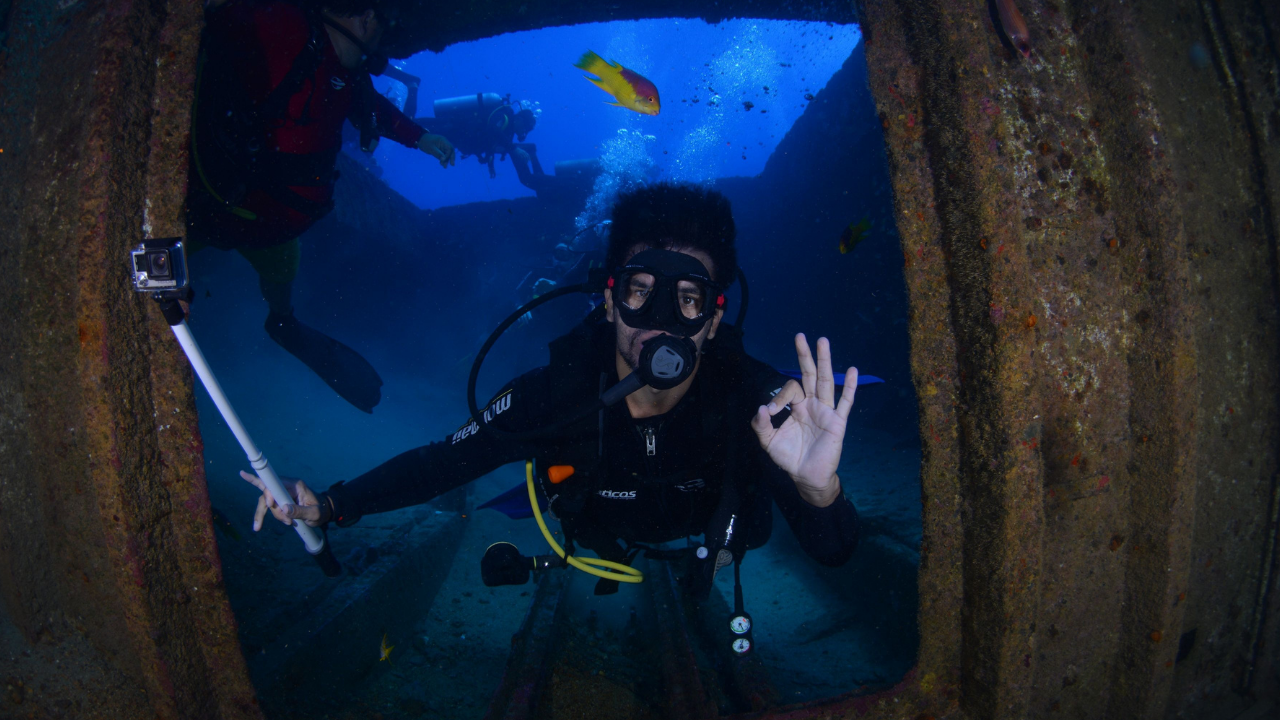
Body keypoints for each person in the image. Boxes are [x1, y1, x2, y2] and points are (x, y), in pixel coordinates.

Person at [244, 183, 859, 600]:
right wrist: (331, 504)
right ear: (608, 301)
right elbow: (442, 462)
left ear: (715, 320)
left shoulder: (762, 405)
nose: (663, 321)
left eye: (690, 299)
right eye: (641, 291)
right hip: (601, 533)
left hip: (715, 534)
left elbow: (835, 552)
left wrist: (817, 489)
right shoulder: (554, 395)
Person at [188, 0, 456, 413]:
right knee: (178, 258)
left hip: (273, 227)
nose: (381, 44)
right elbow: (218, 31)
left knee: (282, 272)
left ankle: (282, 321)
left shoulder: (345, 73)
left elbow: (371, 107)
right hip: (216, 210)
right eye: (384, 30)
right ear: (367, 18)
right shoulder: (282, 28)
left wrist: (418, 136)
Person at [416, 95, 547, 192]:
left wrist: (490, 163)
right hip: (453, 128)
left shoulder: (507, 133)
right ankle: (412, 87)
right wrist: (514, 149)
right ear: (519, 119)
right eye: (525, 127)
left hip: (457, 139)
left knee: (416, 132)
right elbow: (491, 129)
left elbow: (491, 143)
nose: (524, 132)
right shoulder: (503, 116)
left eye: (527, 131)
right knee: (413, 125)